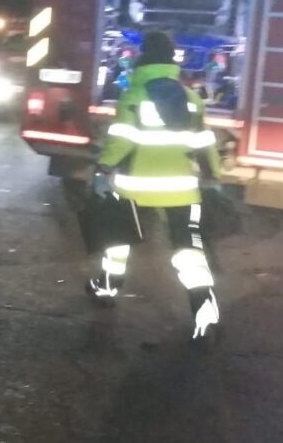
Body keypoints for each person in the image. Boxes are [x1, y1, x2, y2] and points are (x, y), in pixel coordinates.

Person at [89, 31, 224, 343]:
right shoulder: (191, 99)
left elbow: (122, 141)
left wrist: (103, 166)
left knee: (118, 241)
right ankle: (205, 313)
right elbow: (203, 141)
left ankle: (106, 287)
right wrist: (215, 174)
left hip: (134, 188)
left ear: (142, 58)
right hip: (182, 190)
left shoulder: (133, 96)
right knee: (188, 251)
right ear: (171, 60)